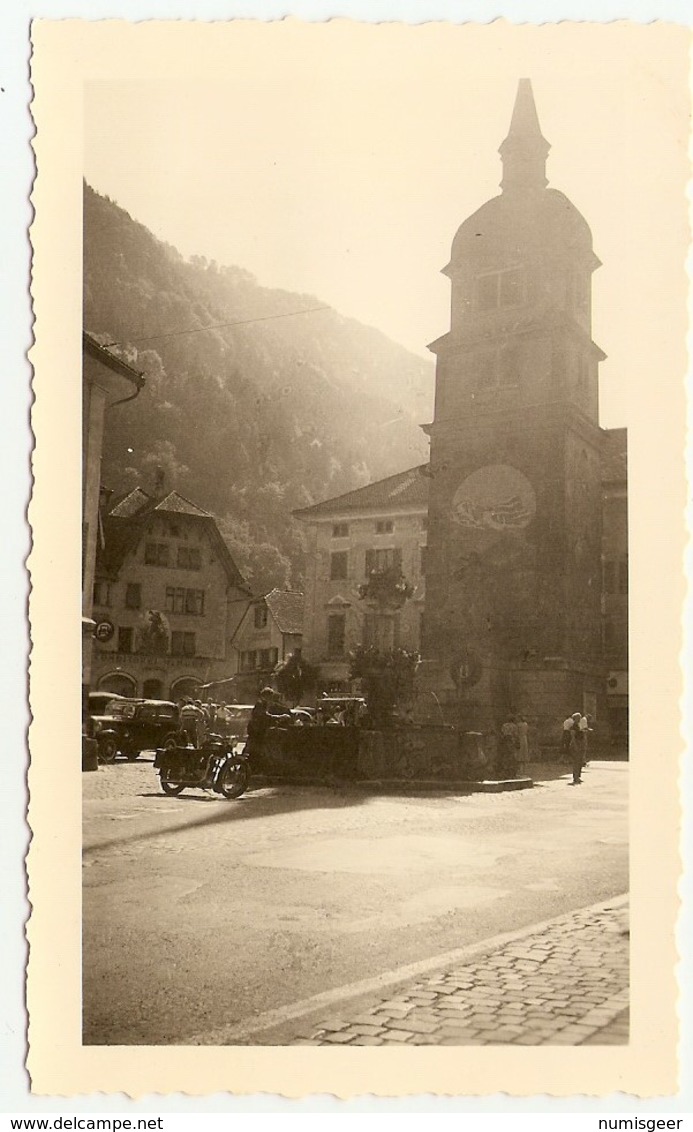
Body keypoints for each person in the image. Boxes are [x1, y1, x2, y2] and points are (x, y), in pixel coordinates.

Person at [569, 711, 584, 785]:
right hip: (576, 743)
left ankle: (578, 776)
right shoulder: (573, 726)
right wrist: (575, 745)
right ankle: (575, 777)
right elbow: (573, 736)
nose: (580, 718)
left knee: (580, 761)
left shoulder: (578, 725)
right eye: (579, 717)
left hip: (580, 743)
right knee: (576, 761)